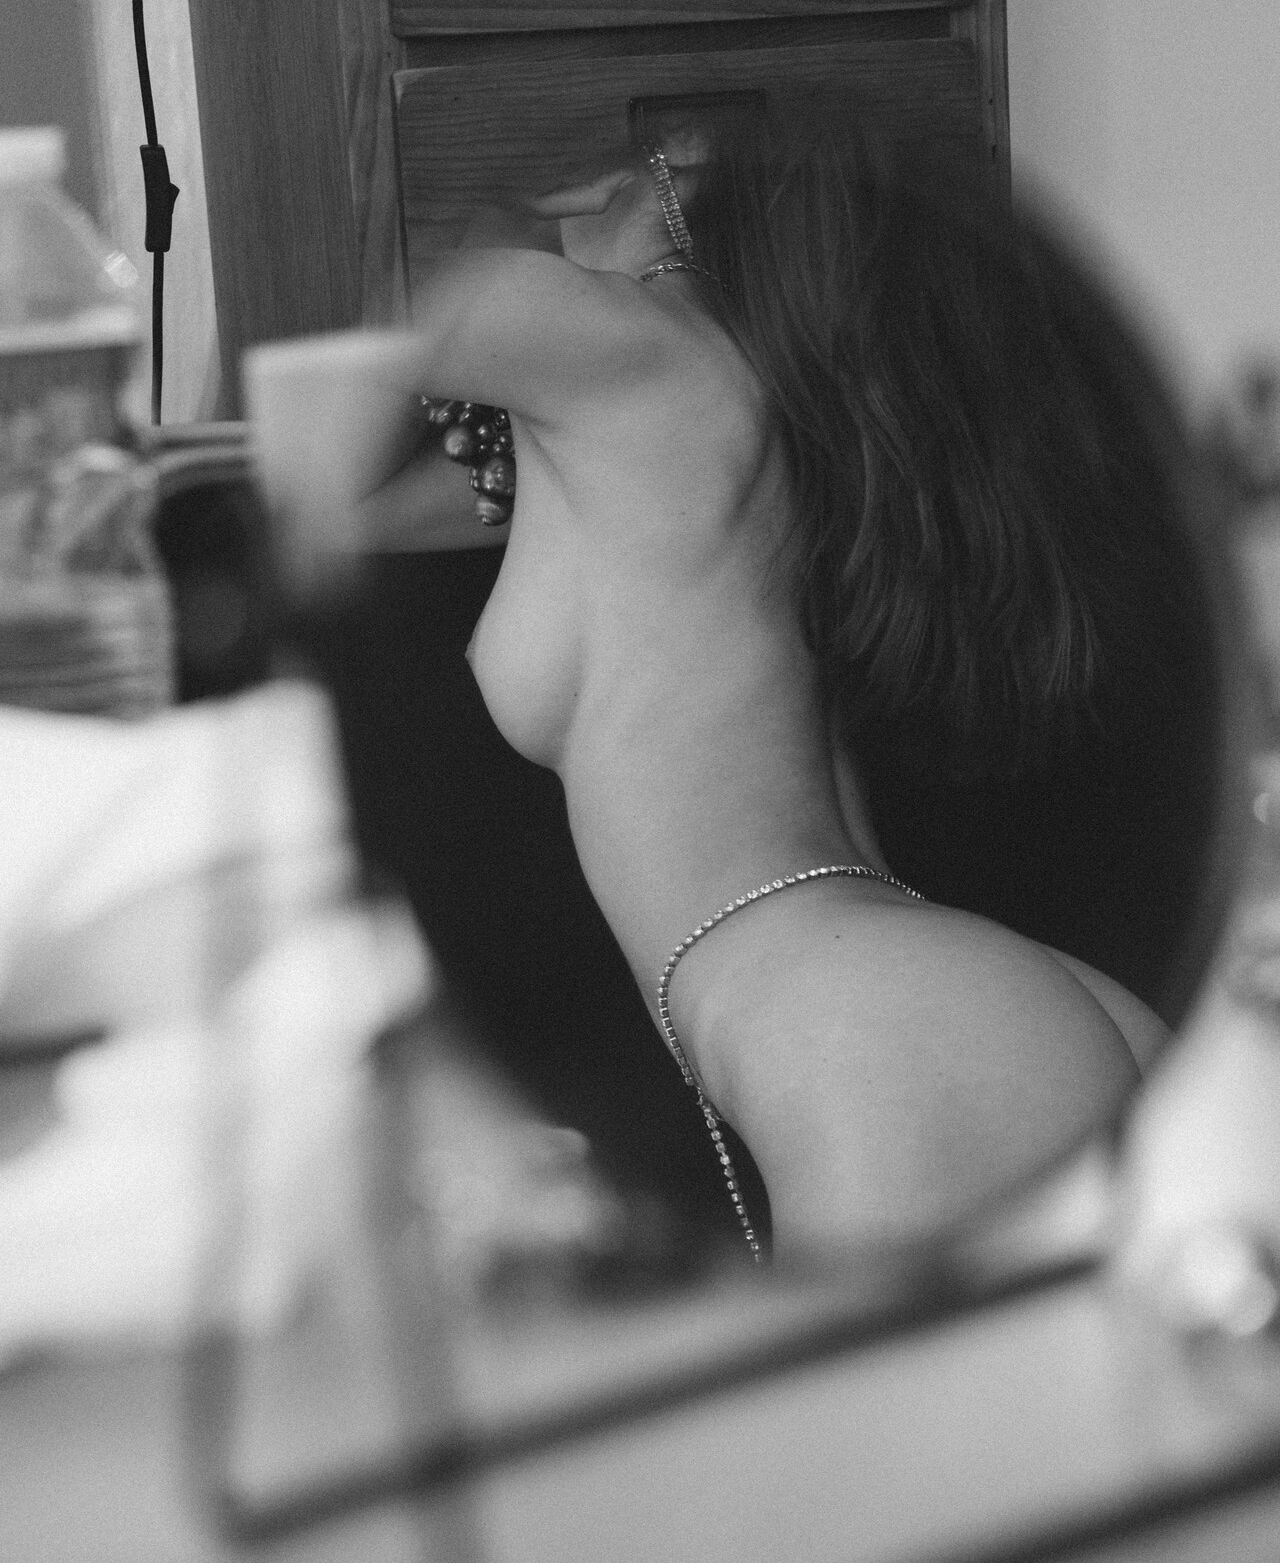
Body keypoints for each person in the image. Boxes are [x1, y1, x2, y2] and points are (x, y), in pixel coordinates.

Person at [249, 109, 1174, 1259]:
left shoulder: (630, 346)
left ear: (684, 158)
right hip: (902, 986)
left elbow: (290, 343)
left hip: (871, 1014)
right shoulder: (718, 389)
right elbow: (339, 494)